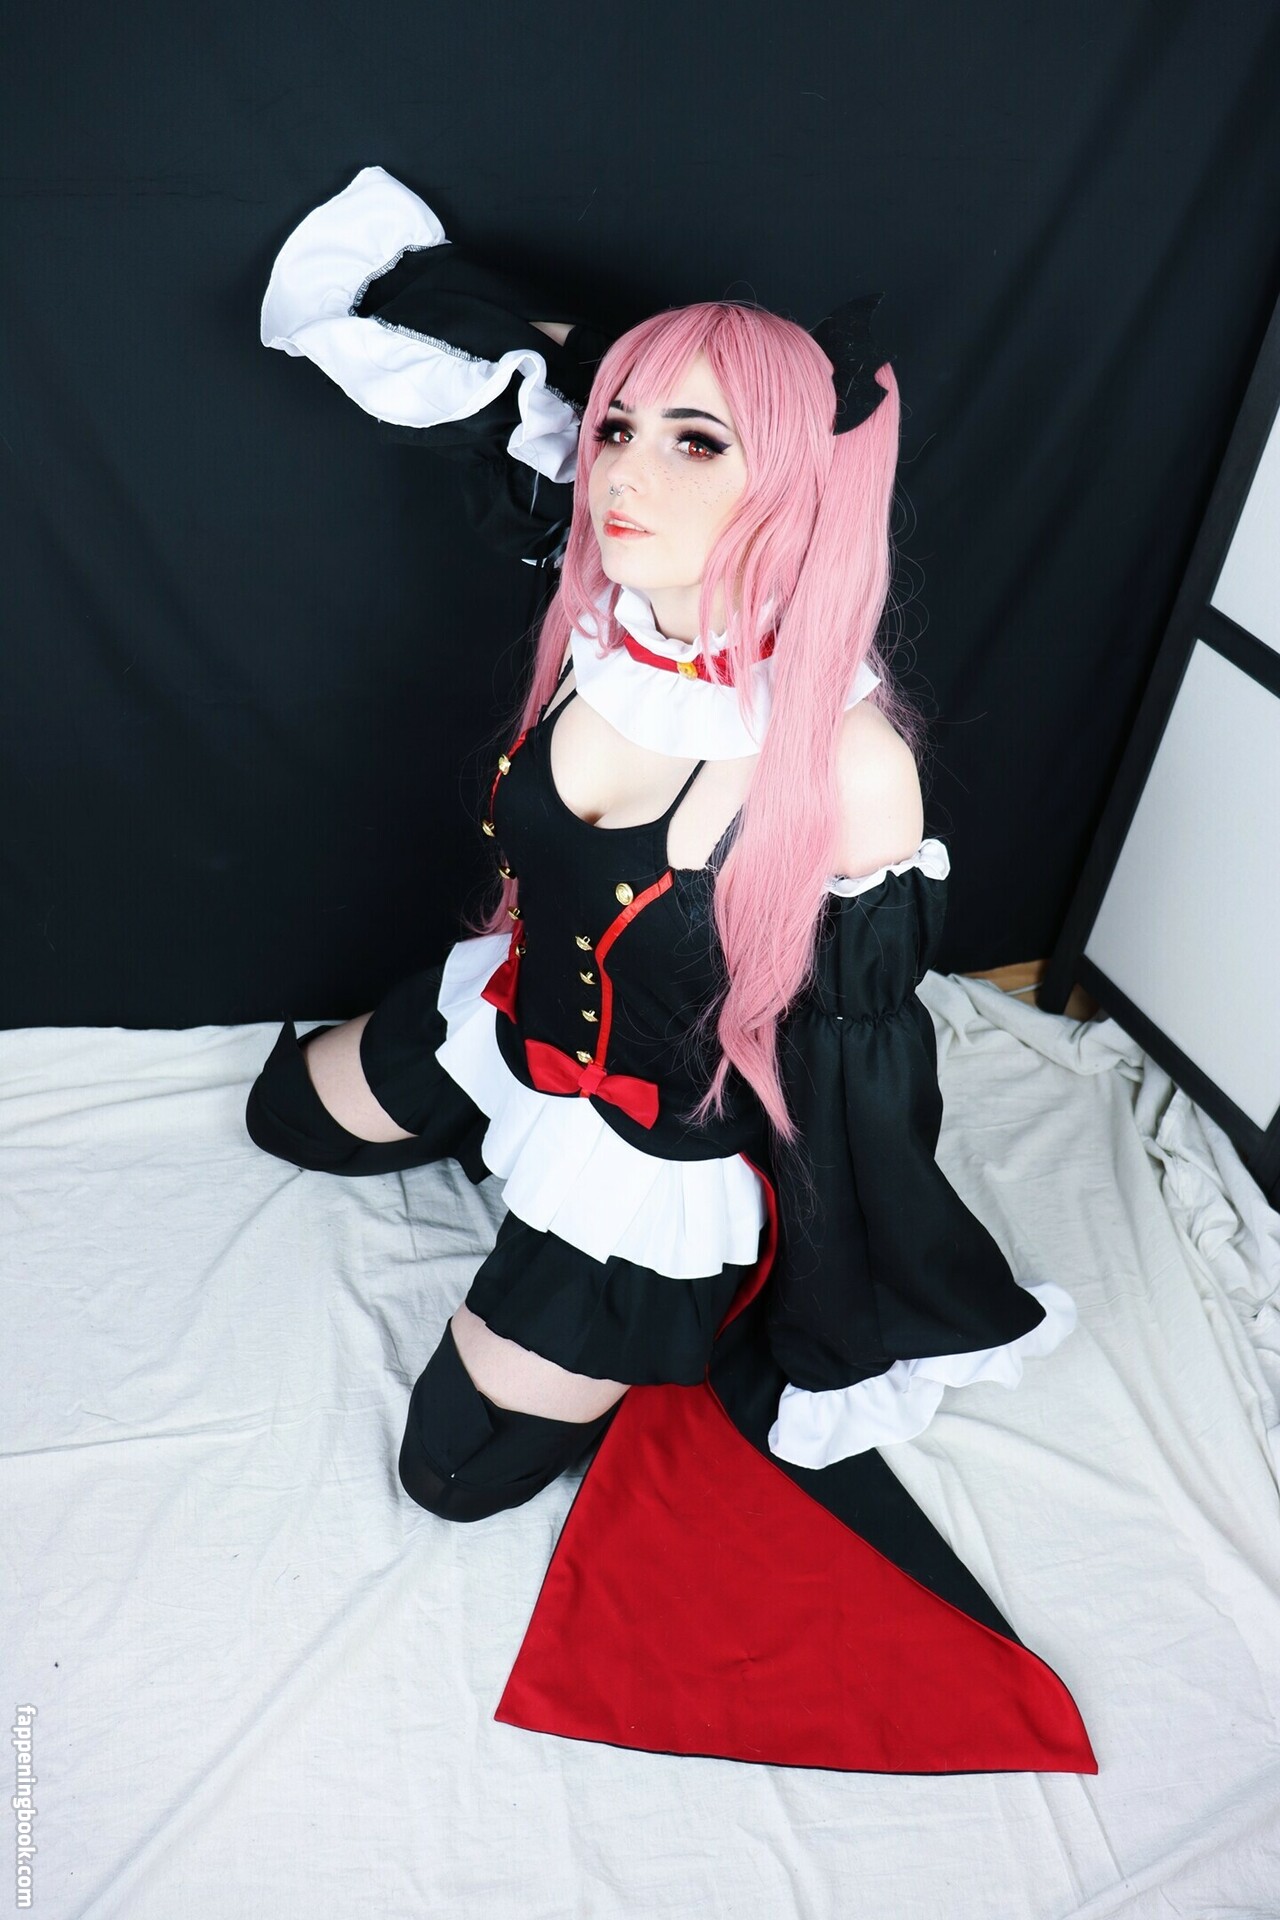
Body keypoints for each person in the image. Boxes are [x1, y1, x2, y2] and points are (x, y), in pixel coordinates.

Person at [247, 166, 1096, 1773]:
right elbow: (515, 383)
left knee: (453, 1470)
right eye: (621, 429)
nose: (623, 473)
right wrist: (571, 349)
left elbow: (859, 1074)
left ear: (796, 483)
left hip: (652, 1149)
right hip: (507, 1022)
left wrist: (838, 1296)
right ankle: (476, 1106)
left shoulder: (845, 767)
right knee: (286, 1114)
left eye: (695, 443)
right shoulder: (608, 625)